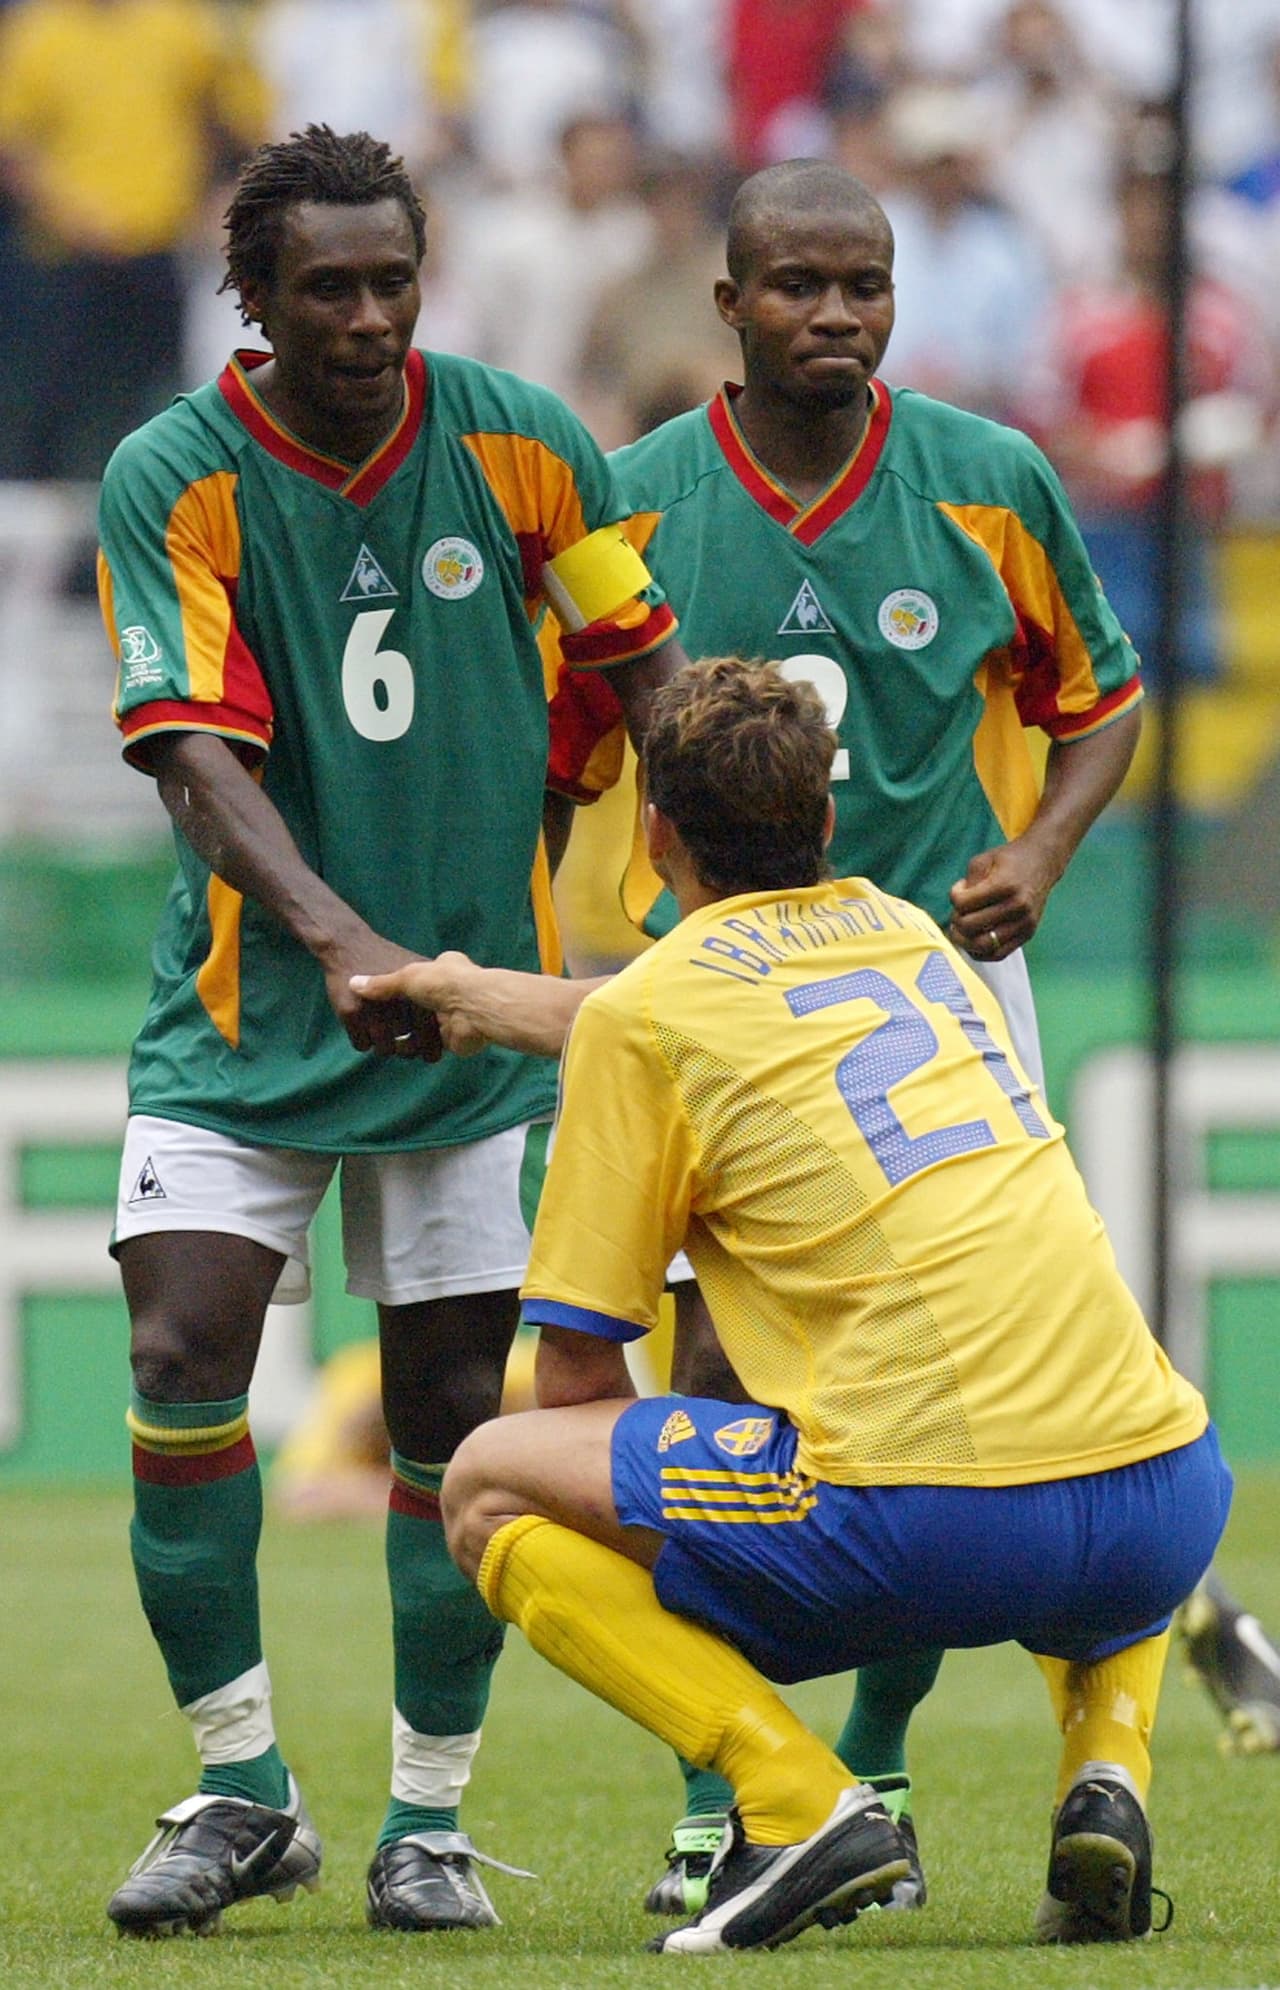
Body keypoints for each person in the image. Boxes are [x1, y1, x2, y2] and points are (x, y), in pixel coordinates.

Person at [355, 655, 1232, 1953]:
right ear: (825, 817)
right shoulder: (912, 941)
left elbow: (584, 1382)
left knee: (492, 1475)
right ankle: (1105, 1767)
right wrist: (468, 992)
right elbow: (660, 1009)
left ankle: (793, 1794)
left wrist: (708, 1549)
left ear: (653, 833)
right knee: (1078, 1439)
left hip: (916, 1519)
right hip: (1164, 1504)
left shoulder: (647, 1019)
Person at [95, 122, 682, 1940]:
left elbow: (642, 666)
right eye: (324, 288)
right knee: (185, 1346)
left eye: (390, 279)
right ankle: (243, 1785)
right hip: (245, 1015)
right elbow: (194, 750)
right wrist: (346, 939)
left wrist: (711, 890)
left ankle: (427, 1818)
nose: (364, 315)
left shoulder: (523, 440)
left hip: (475, 1026)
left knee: (450, 1408)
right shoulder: (173, 474)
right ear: (250, 302)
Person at [542, 154, 1146, 1912]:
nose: (838, 317)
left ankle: (866, 1768)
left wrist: (1035, 847)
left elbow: (1100, 704)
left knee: (947, 1402)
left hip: (936, 987)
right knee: (719, 1395)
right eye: (800, 287)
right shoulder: (634, 500)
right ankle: (728, 1786)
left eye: (864, 286)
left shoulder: (987, 478)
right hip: (720, 1005)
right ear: (727, 308)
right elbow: (566, 757)